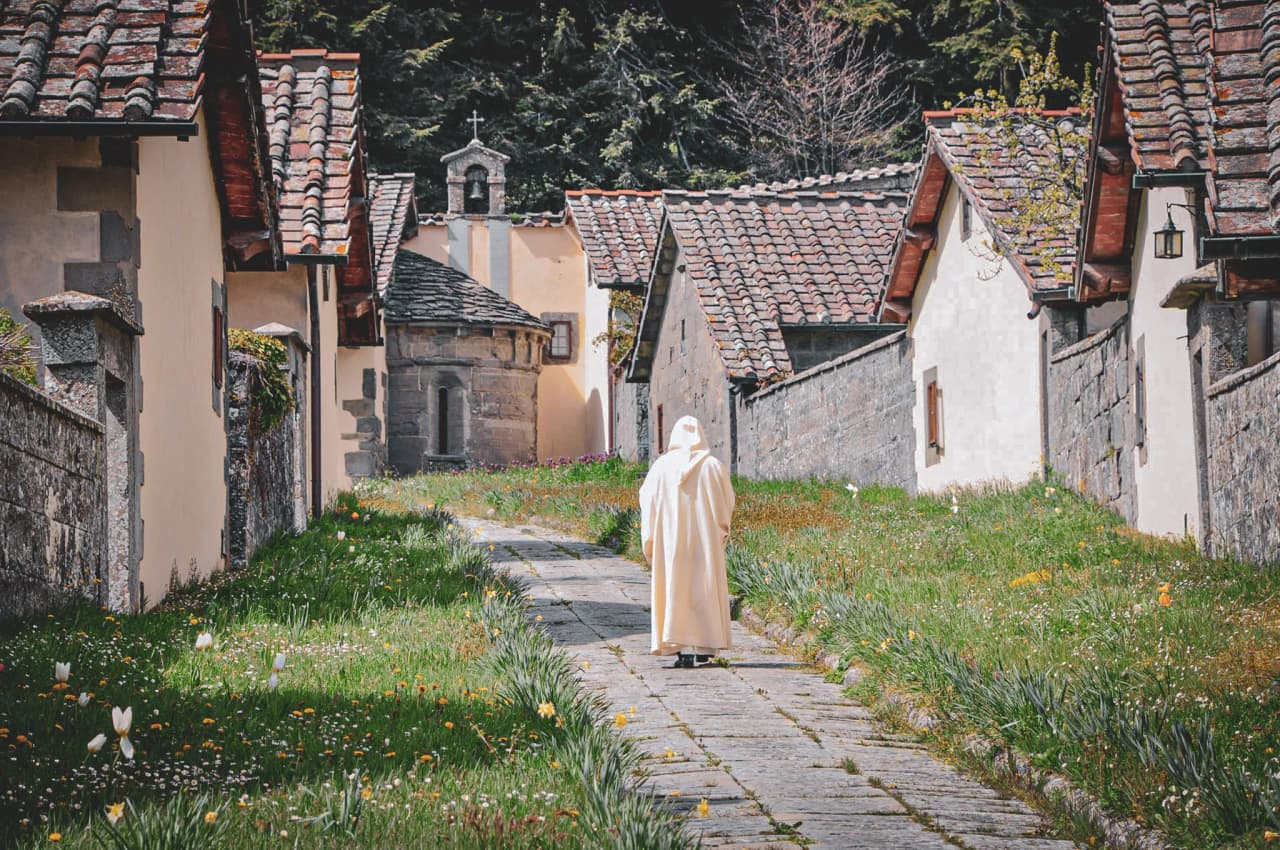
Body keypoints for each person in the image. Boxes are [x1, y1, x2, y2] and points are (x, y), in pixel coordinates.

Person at [639, 415, 736, 668]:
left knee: (675, 588)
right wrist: (720, 532)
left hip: (671, 542)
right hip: (704, 542)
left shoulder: (661, 468)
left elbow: (647, 501)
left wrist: (650, 541)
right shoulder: (713, 466)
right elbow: (727, 502)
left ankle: (679, 645)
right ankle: (705, 645)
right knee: (703, 589)